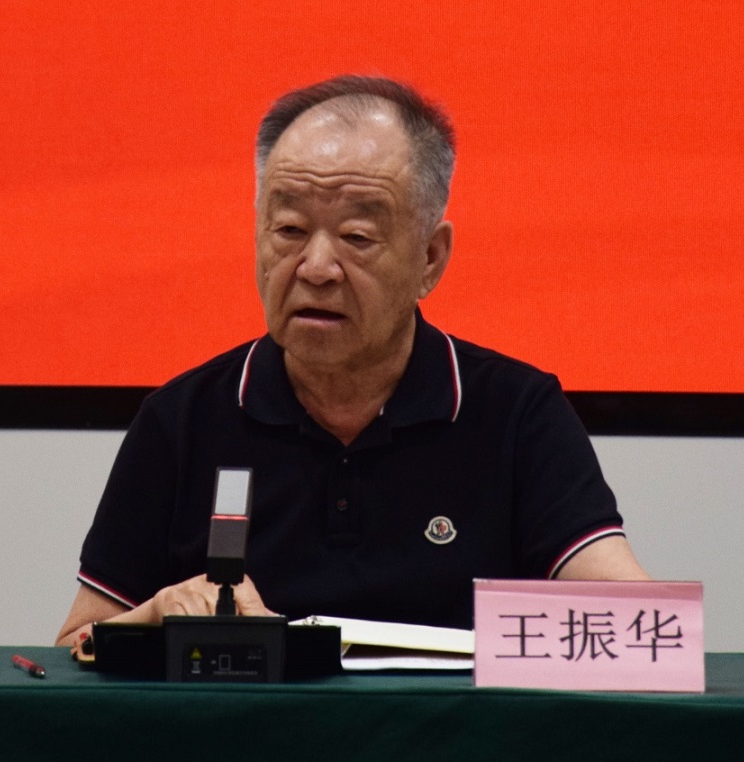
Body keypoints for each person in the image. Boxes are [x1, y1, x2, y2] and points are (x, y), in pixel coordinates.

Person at [56, 75, 649, 648]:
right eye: (289, 229)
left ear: (430, 258)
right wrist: (152, 619)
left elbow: (634, 626)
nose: (316, 268)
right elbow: (73, 649)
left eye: (357, 237)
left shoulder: (517, 415)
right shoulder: (181, 421)